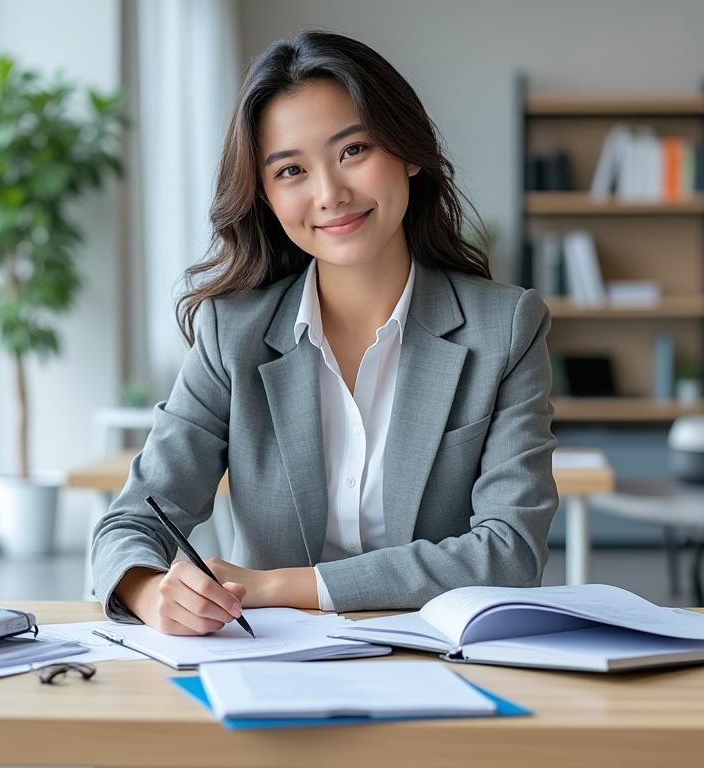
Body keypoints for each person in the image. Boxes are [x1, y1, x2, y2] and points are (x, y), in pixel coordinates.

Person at [91, 30, 558, 635]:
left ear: (409, 151)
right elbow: (130, 524)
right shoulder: (233, 333)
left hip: (441, 664)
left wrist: (281, 586)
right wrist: (155, 593)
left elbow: (510, 554)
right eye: (291, 169)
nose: (330, 194)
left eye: (353, 150)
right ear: (264, 196)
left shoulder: (507, 327)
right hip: (268, 669)